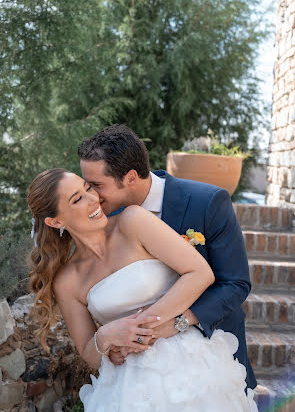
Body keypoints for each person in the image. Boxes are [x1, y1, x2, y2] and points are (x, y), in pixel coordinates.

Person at [27, 168, 257, 411]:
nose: (93, 199)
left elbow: (200, 273)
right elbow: (88, 351)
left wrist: (143, 327)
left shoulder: (132, 221)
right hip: (128, 385)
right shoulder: (67, 281)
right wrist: (105, 337)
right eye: (77, 199)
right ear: (55, 221)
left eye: (87, 188)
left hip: (191, 363)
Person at [78, 124, 257, 390]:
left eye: (96, 185)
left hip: (214, 358)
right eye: (86, 184)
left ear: (129, 178)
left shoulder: (207, 202)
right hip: (138, 375)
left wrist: (179, 322)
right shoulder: (105, 218)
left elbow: (235, 283)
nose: (91, 195)